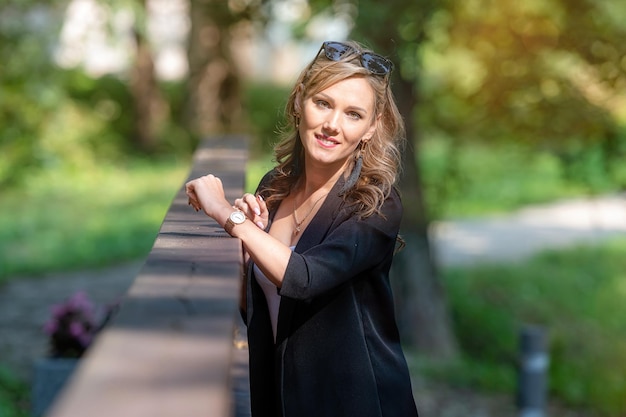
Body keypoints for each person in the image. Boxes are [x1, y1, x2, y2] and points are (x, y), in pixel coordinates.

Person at [185, 40, 419, 417]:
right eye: (323, 103)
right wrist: (250, 254)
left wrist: (228, 215)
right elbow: (262, 311)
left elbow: (305, 279)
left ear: (372, 127)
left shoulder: (375, 205)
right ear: (299, 102)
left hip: (356, 403)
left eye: (353, 114)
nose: (332, 125)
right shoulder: (274, 187)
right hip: (281, 398)